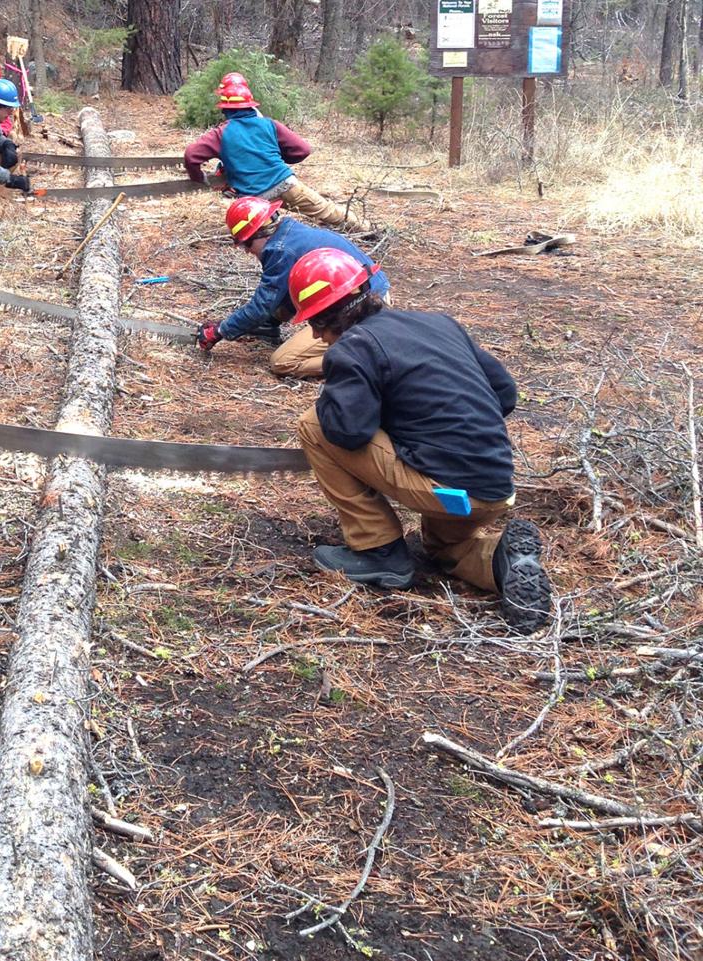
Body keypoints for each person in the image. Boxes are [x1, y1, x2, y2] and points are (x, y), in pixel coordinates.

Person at [286, 248, 552, 634]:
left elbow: (347, 431)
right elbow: (505, 393)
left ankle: (378, 551)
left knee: (314, 424)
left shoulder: (353, 347)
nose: (313, 335)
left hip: (443, 487)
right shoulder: (438, 323)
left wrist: (338, 393)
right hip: (494, 487)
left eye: (315, 323)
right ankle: (503, 562)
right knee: (444, 550)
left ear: (327, 318)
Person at [196, 197, 390, 378]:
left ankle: (360, 360)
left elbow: (261, 306)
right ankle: (267, 327)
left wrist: (221, 330)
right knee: (284, 297)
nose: (246, 250)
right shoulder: (289, 233)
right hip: (365, 295)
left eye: (246, 243)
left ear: (261, 233)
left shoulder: (280, 251)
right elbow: (281, 294)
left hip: (361, 308)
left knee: (282, 362)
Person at [183, 76, 372, 233]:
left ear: (224, 108)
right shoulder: (270, 125)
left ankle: (271, 223)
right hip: (286, 184)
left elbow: (191, 155)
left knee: (263, 233)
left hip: (255, 199)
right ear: (251, 106)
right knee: (327, 210)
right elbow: (303, 150)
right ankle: (367, 229)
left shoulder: (220, 133)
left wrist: (199, 177)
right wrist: (276, 159)